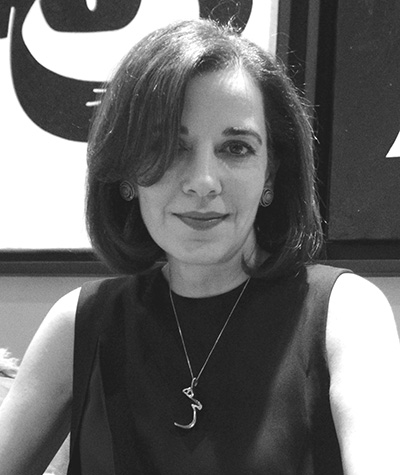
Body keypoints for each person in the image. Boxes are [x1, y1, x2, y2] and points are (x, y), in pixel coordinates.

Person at [0, 18, 400, 475]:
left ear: (271, 174)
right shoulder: (81, 323)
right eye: (171, 147)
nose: (203, 182)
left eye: (236, 148)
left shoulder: (346, 314)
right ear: (128, 174)